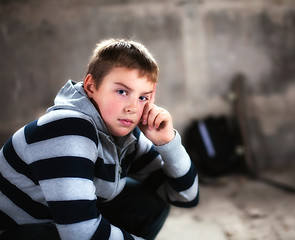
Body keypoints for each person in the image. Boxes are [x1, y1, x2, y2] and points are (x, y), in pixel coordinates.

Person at [0, 38, 199, 240]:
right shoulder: (67, 127)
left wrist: (168, 143)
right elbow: (81, 235)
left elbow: (185, 197)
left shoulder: (126, 135)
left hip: (50, 220)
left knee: (147, 203)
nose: (132, 108)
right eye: (122, 91)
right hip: (11, 231)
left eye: (143, 97)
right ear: (90, 86)